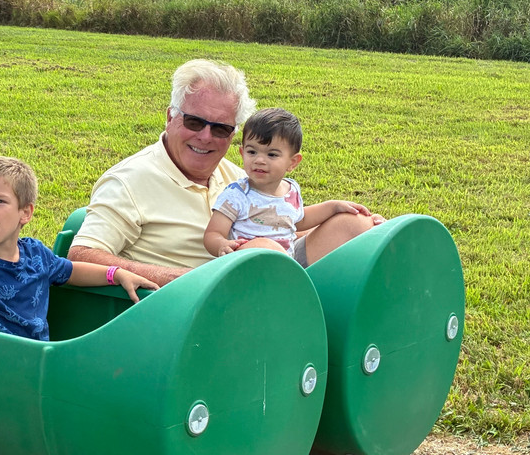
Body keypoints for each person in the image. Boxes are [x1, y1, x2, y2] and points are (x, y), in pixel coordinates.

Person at [68, 59, 377, 286]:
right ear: (170, 117)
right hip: (194, 311)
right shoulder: (130, 181)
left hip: (258, 283)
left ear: (234, 135)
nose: (205, 136)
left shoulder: (236, 177)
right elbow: (80, 255)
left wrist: (346, 224)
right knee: (265, 254)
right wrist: (176, 279)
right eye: (193, 122)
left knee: (354, 225)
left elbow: (276, 230)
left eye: (220, 128)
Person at [0, 156, 156, 359]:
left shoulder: (36, 254)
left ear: (25, 212)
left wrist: (115, 274)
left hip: (39, 360)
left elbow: (70, 271)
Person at [203, 107, 372, 263]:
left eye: (272, 154)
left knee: (356, 222)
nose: (259, 160)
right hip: (249, 269)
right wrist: (222, 245)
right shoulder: (237, 194)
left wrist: (333, 207)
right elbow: (213, 233)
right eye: (252, 152)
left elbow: (299, 220)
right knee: (263, 247)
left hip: (288, 266)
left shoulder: (290, 191)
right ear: (242, 153)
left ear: (292, 162)